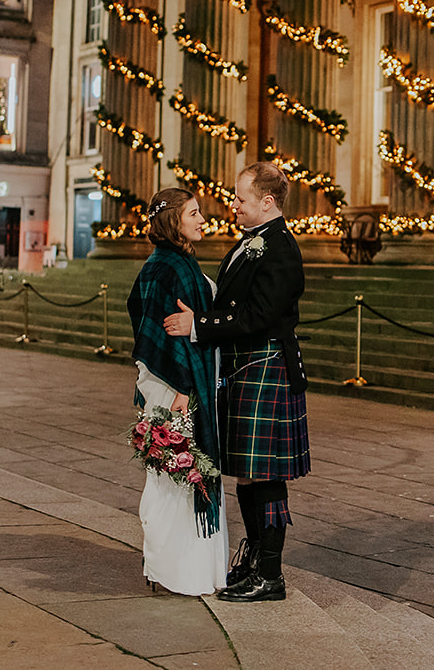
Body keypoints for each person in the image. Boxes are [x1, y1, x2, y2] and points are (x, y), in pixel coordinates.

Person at [165, 162, 308, 603]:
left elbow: (258, 315)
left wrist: (198, 324)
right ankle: (255, 563)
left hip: (266, 366)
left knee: (264, 477)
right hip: (246, 367)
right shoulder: (250, 243)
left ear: (267, 202)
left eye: (241, 199)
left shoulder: (280, 247)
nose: (233, 205)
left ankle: (271, 574)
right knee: (248, 475)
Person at [127, 188, 228, 595]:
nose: (203, 219)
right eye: (194, 213)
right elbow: (159, 331)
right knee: (177, 477)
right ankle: (175, 571)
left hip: (183, 385)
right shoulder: (169, 267)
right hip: (177, 390)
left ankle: (181, 569)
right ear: (173, 221)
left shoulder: (177, 263)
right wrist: (181, 388)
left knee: (181, 477)